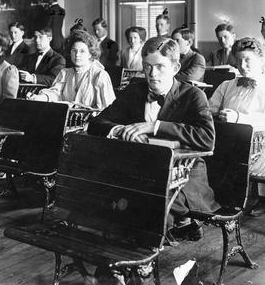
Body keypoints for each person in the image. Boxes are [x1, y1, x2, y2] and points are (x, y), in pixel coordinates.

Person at [88, 36, 218, 241]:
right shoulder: (134, 90)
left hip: (184, 174)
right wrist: (121, 130)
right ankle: (125, 255)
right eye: (147, 66)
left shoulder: (193, 95)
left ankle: (141, 260)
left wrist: (155, 127)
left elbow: (207, 138)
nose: (152, 74)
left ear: (175, 67)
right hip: (141, 169)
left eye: (160, 67)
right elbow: (96, 123)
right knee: (112, 195)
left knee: (149, 201)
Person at [208, 37, 265, 205]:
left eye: (248, 60)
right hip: (227, 141)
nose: (242, 65)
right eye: (239, 61)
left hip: (259, 144)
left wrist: (239, 118)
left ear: (261, 60)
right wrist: (215, 114)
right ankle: (216, 201)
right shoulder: (227, 85)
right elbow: (210, 109)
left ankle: (236, 201)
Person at [30, 30, 115, 110]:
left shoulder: (99, 75)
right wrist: (42, 97)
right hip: (66, 120)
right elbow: (56, 93)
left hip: (91, 122)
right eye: (74, 50)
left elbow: (107, 109)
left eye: (82, 51)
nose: (77, 55)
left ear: (90, 54)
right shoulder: (65, 73)